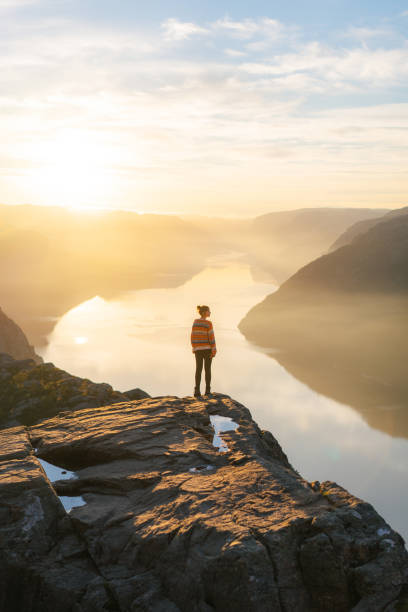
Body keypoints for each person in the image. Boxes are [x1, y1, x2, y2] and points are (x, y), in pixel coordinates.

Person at [191, 305, 216, 397]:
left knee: (198, 369)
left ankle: (196, 391)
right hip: (207, 350)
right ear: (205, 312)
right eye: (209, 311)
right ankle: (207, 391)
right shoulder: (208, 323)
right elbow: (211, 337)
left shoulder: (195, 322)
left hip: (198, 350)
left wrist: (194, 347)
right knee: (207, 370)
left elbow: (192, 335)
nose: (210, 313)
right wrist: (214, 349)